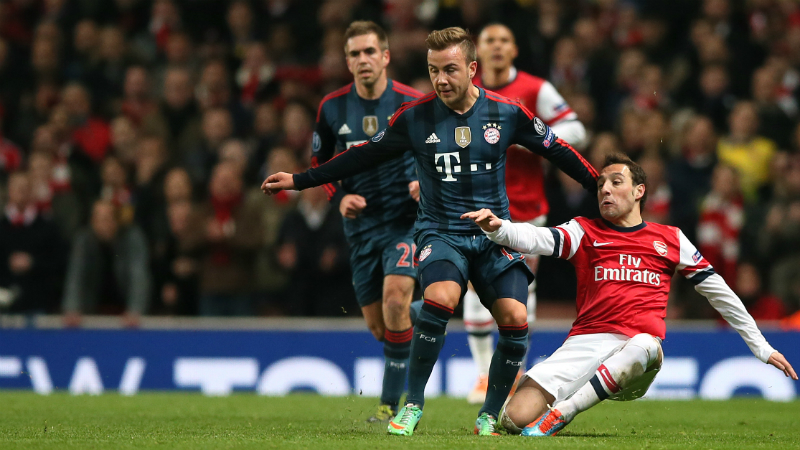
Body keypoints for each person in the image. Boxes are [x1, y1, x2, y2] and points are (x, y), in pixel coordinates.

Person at [262, 27, 598, 436]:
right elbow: (361, 156)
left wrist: (597, 185)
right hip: (440, 231)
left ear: (473, 69)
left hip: (494, 233)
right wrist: (301, 181)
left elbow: (558, 150)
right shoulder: (414, 117)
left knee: (515, 318)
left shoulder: (506, 112)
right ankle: (412, 405)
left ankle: (489, 414)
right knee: (441, 297)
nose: (441, 79)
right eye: (433, 70)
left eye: (450, 70)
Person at [461, 153, 797, 437]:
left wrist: (761, 346)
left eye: (615, 182)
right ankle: (541, 409)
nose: (605, 189)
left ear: (639, 191)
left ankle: (561, 413)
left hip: (637, 351)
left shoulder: (671, 239)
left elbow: (720, 293)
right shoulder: (584, 231)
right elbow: (536, 237)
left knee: (647, 343)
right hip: (585, 344)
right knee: (515, 420)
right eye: (600, 185)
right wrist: (499, 228)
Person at [463, 23, 589, 405]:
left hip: (525, 211)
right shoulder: (467, 91)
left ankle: (515, 372)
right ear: (477, 53)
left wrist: (535, 139)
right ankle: (484, 375)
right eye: (489, 41)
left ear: (514, 49)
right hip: (475, 206)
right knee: (474, 292)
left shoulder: (535, 88)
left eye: (504, 40)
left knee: (522, 293)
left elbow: (577, 130)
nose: (497, 47)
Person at [312, 21, 424, 422]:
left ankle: (391, 405)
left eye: (370, 52)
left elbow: (438, 150)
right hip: (360, 228)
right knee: (382, 327)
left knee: (396, 299)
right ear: (347, 61)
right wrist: (338, 197)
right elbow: (318, 162)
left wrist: (422, 183)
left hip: (406, 221)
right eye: (355, 54)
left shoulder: (414, 102)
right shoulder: (332, 107)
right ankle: (430, 314)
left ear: (386, 56)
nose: (363, 60)